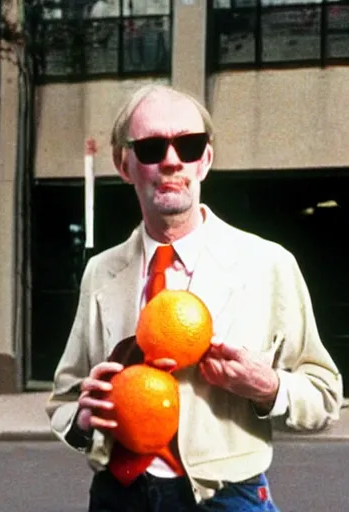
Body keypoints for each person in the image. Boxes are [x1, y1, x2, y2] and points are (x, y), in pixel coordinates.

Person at [46, 84, 343, 511]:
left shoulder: (267, 264)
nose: (171, 160)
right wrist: (81, 421)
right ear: (123, 164)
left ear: (205, 159)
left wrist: (269, 387)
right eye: (150, 147)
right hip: (119, 494)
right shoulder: (101, 272)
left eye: (188, 144)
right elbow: (64, 397)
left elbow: (325, 395)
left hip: (226, 496)